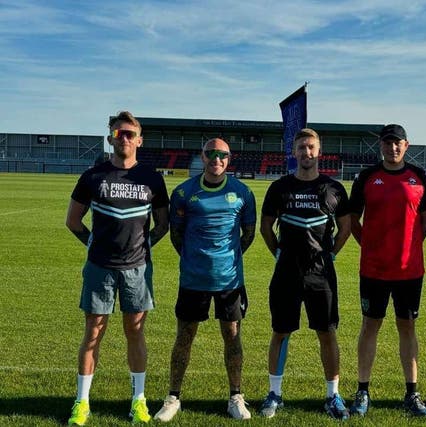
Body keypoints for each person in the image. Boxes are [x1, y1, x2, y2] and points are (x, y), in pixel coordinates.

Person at [65, 111, 169, 425]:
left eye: (129, 133)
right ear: (111, 137)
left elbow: (163, 224)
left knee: (135, 333)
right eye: (118, 133)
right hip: (100, 268)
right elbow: (73, 221)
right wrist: (93, 245)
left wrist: (143, 246)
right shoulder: (93, 176)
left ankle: (138, 401)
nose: (123, 138)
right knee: (92, 333)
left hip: (137, 269)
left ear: (139, 140)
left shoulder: (151, 178)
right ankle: (82, 402)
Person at [153, 138, 257, 422]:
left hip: (229, 281)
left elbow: (247, 235)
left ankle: (236, 396)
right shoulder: (184, 192)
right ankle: (173, 397)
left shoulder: (243, 193)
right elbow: (176, 234)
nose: (216, 158)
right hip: (193, 279)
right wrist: (195, 259)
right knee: (184, 337)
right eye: (211, 153)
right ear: (202, 156)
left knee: (233, 337)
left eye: (222, 154)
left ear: (229, 158)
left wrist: (226, 258)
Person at [259, 128, 351, 420]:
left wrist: (331, 254)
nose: (306, 152)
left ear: (319, 151)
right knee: (280, 332)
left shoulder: (334, 188)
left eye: (311, 147)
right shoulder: (279, 188)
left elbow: (346, 228)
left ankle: (332, 395)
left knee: (327, 332)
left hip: (320, 274)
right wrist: (278, 253)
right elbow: (266, 228)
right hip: (287, 271)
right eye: (301, 148)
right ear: (294, 152)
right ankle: (274, 394)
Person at [349, 124, 426, 417]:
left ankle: (412, 393)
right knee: (370, 326)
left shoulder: (420, 177)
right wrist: (367, 245)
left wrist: (411, 247)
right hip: (373, 269)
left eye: (397, 143)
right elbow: (351, 218)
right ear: (381, 146)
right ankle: (362, 391)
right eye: (387, 143)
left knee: (407, 327)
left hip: (410, 271)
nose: (392, 148)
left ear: (406, 145)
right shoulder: (367, 177)